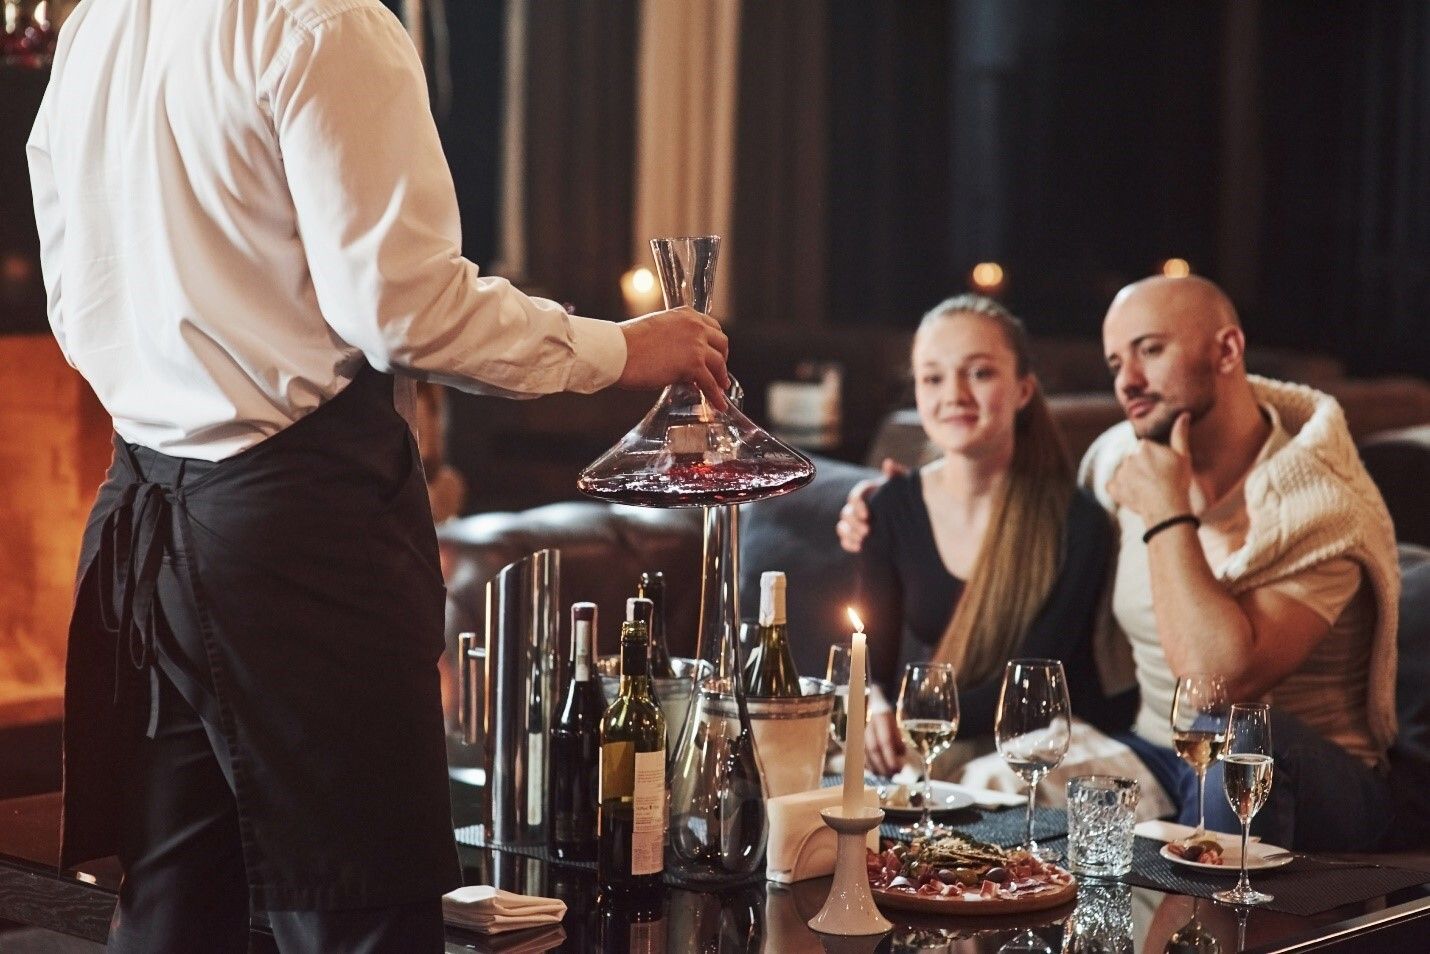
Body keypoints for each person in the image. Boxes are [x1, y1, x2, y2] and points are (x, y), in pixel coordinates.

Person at [26, 3, 728, 952]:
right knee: (362, 914)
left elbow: (71, 292)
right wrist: (619, 349)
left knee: (177, 911)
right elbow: (405, 312)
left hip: (153, 525)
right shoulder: (327, 24)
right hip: (297, 537)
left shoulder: (103, 23)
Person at [841, 276, 1400, 850]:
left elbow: (1219, 686)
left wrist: (1166, 511)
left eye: (1151, 351)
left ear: (1227, 350)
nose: (1127, 381)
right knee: (996, 794)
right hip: (1154, 749)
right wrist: (891, 506)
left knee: (1233, 740)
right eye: (1115, 362)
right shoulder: (1116, 458)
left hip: (1302, 768)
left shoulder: (1322, 510)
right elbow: (1022, 531)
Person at [856, 295, 1130, 777]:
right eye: (933, 377)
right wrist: (870, 706)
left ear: (1024, 390)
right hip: (936, 736)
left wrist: (911, 721)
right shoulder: (889, 506)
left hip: (1047, 746)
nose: (954, 394)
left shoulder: (1075, 522)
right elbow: (870, 659)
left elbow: (1032, 689)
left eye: (979, 373)